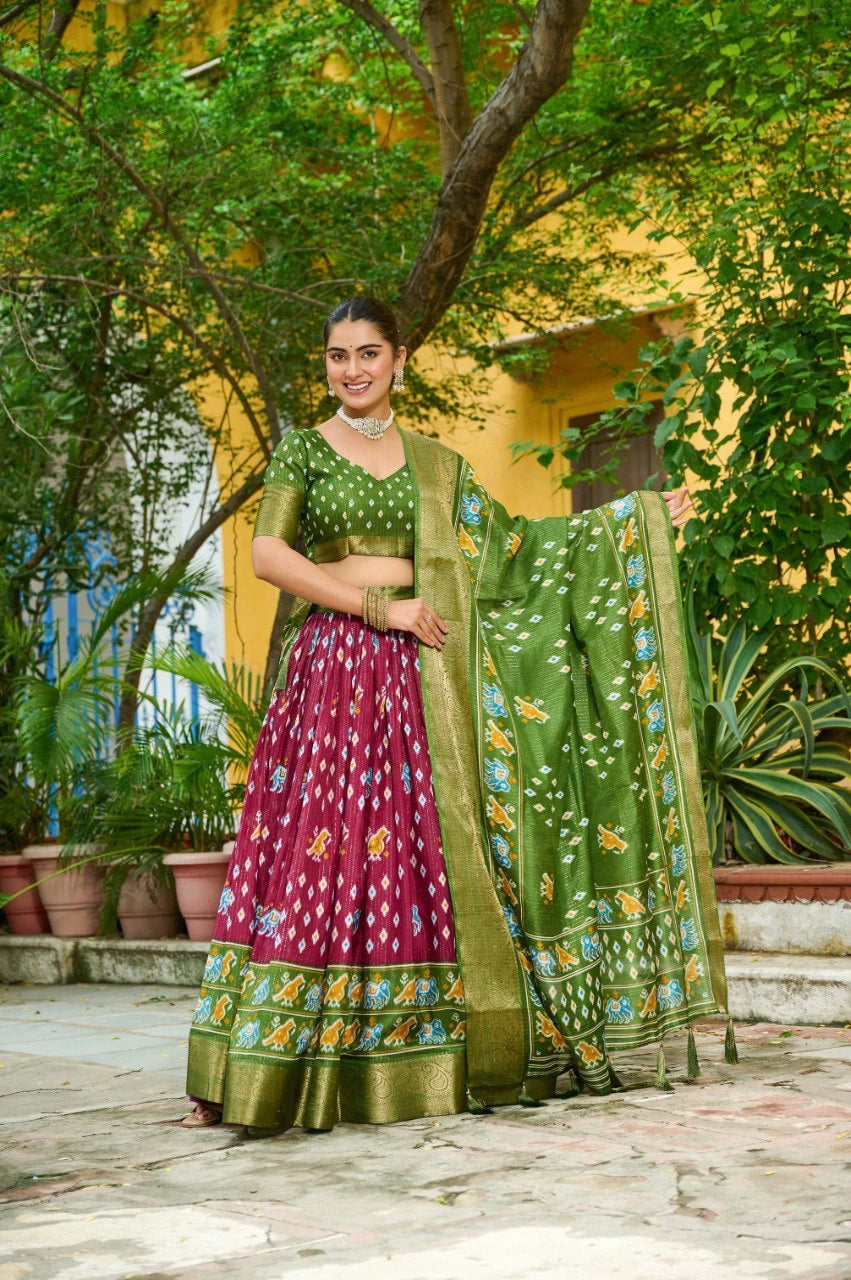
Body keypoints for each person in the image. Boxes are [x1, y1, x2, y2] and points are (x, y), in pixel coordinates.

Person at [181, 294, 732, 1133]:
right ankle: (281, 1062)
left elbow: (513, 550)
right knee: (326, 853)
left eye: (368, 353)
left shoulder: (437, 464)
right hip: (336, 674)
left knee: (421, 853)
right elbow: (267, 554)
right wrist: (376, 607)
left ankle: (431, 1055)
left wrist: (631, 525)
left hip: (429, 679)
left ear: (399, 361)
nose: (353, 370)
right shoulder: (302, 451)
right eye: (338, 356)